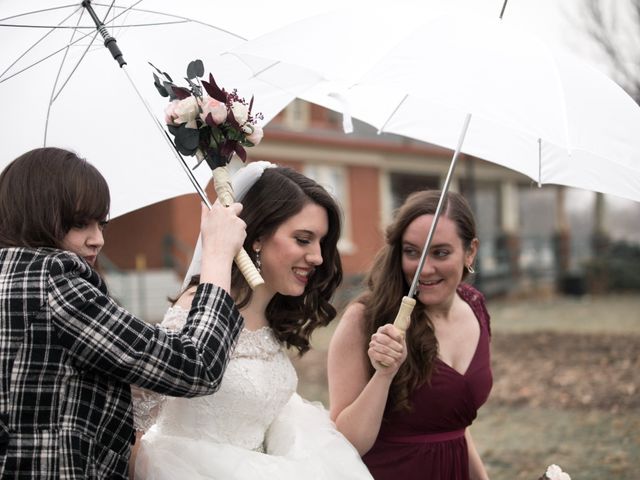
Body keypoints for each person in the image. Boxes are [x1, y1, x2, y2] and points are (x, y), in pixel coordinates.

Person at [0, 147, 247, 479]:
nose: (98, 239)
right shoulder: (55, 286)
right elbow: (196, 365)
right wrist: (217, 255)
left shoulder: (14, 279)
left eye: (101, 223)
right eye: (79, 223)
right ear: (34, 213)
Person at [132, 161, 373, 479]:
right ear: (256, 237)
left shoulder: (273, 316)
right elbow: (137, 414)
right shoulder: (197, 310)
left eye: (320, 242)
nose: (317, 257)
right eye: (303, 239)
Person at [328, 190, 492, 480]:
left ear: (470, 252)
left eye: (441, 252)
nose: (424, 269)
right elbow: (346, 444)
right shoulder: (364, 319)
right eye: (411, 252)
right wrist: (384, 375)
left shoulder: (475, 306)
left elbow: (456, 428)